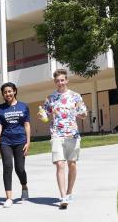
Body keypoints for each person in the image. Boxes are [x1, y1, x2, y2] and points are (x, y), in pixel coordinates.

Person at [40, 69, 87, 209]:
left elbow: (84, 114)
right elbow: (44, 115)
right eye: (57, 80)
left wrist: (82, 113)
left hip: (72, 134)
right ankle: (63, 196)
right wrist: (42, 115)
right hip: (56, 134)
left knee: (72, 164)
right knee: (60, 164)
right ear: (55, 82)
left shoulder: (76, 96)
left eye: (62, 80)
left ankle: (69, 192)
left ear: (66, 80)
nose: (60, 82)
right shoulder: (50, 98)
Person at [0, 82, 31, 208]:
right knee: (7, 167)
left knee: (20, 169)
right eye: (5, 92)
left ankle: (24, 186)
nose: (7, 94)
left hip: (20, 141)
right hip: (6, 141)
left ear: (14, 91)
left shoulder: (23, 106)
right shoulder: (0, 108)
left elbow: (27, 124)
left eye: (10, 91)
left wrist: (28, 141)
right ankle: (9, 197)